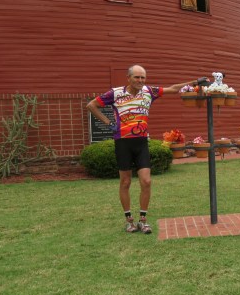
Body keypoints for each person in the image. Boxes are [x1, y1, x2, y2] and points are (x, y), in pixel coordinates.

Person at [87, 65, 207, 234]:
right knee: (125, 182)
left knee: (146, 181)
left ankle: (143, 220)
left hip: (141, 142)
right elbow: (91, 105)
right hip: (122, 142)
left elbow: (173, 88)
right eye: (137, 77)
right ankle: (129, 220)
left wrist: (195, 82)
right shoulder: (115, 93)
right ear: (128, 78)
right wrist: (109, 123)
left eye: (143, 77)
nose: (140, 80)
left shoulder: (149, 91)